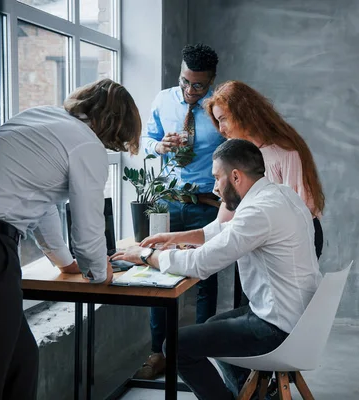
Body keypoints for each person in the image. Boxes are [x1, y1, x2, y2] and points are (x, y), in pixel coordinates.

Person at [0, 78, 142, 400]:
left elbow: (43, 205)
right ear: (115, 123)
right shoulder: (85, 143)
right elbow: (87, 222)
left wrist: (65, 263)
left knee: (20, 362)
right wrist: (98, 272)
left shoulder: (37, 117)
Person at [111, 139, 323, 400]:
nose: (214, 188)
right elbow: (225, 232)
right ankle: (248, 394)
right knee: (213, 324)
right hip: (300, 319)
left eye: (217, 178)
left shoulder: (259, 211)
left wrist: (145, 255)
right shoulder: (281, 195)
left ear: (236, 176)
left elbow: (200, 265)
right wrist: (174, 237)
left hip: (277, 329)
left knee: (176, 346)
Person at [138, 43, 225, 379]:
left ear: (212, 81)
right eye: (184, 82)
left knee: (205, 279)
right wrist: (159, 147)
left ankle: (203, 351)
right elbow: (147, 139)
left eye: (198, 85)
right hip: (169, 201)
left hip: (207, 204)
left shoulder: (220, 108)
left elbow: (234, 147)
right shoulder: (163, 100)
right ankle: (156, 352)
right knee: (160, 276)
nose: (189, 91)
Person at [204, 80, 326, 259]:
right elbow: (227, 213)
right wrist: (198, 241)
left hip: (296, 239)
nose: (220, 129)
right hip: (256, 237)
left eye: (223, 119)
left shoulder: (285, 152)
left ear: (243, 113)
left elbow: (299, 211)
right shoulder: (234, 151)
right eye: (217, 121)